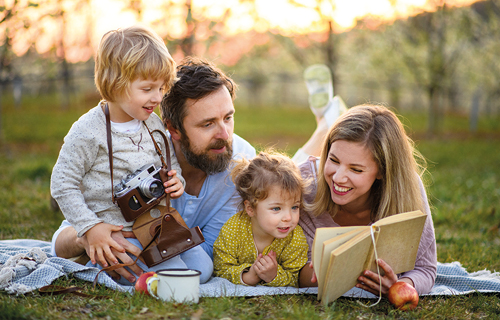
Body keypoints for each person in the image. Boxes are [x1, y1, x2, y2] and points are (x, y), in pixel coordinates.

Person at [51, 56, 256, 283]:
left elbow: (211, 255)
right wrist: (90, 238)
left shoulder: (241, 164)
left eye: (228, 118)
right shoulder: (140, 154)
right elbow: (60, 243)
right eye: (207, 124)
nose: (225, 135)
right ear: (173, 129)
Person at [298, 104, 437, 297]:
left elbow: (425, 269)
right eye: (334, 160)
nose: (338, 177)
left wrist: (400, 286)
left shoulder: (407, 189)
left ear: (382, 170)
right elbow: (291, 269)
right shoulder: (303, 185)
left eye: (356, 169)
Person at [213, 151, 309, 287]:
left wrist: (274, 276)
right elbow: (220, 269)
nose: (288, 218)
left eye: (294, 207)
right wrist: (248, 276)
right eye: (276, 208)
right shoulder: (233, 230)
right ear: (250, 208)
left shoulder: (295, 238)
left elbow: (296, 277)